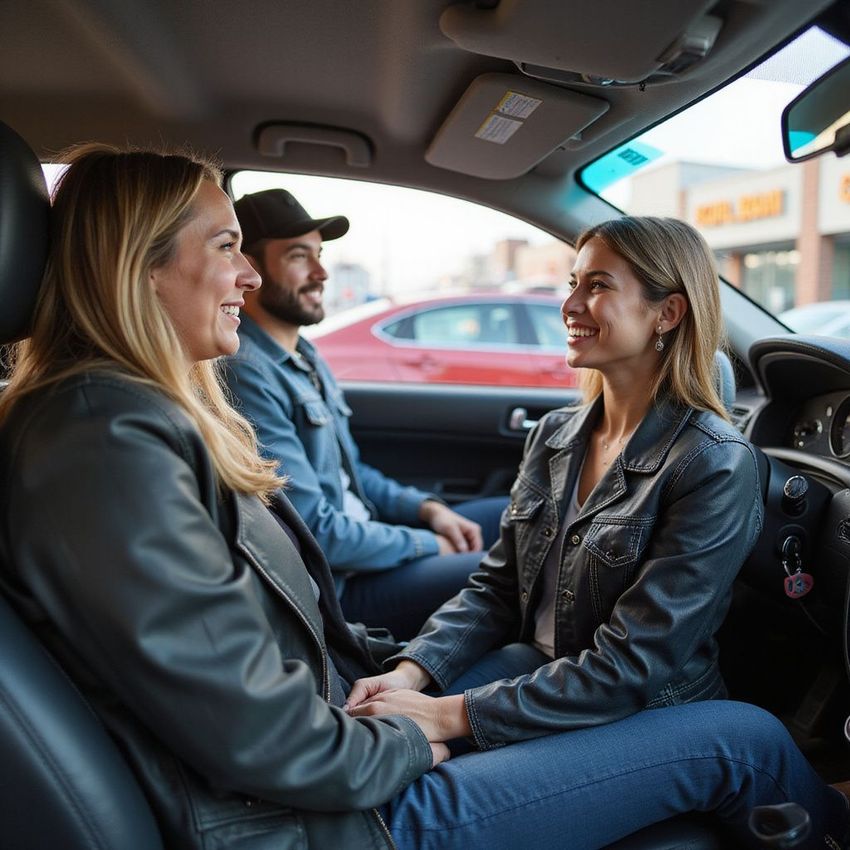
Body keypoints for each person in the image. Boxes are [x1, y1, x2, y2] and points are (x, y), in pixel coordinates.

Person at [0, 145, 846, 850]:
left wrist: (401, 682)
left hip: (302, 769)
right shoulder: (106, 436)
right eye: (227, 245)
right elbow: (267, 732)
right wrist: (416, 727)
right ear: (138, 265)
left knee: (522, 659)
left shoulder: (118, 419)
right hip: (325, 818)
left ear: (668, 315)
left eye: (601, 287)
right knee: (748, 737)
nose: (248, 276)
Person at [346, 216, 766, 749]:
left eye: (597, 286)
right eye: (573, 284)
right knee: (376, 734)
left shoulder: (714, 462)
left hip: (643, 711)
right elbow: (497, 587)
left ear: (668, 312)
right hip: (542, 672)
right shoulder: (555, 435)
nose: (569, 306)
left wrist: (447, 716)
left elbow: (633, 665)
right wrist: (411, 673)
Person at [222, 188, 506, 639]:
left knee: (514, 516)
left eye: (319, 254)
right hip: (339, 588)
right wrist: (426, 544)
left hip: (367, 543)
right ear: (250, 270)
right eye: (300, 257)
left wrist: (428, 510)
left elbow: (352, 473)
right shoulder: (247, 374)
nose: (321, 273)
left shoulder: (305, 356)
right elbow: (315, 533)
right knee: (504, 574)